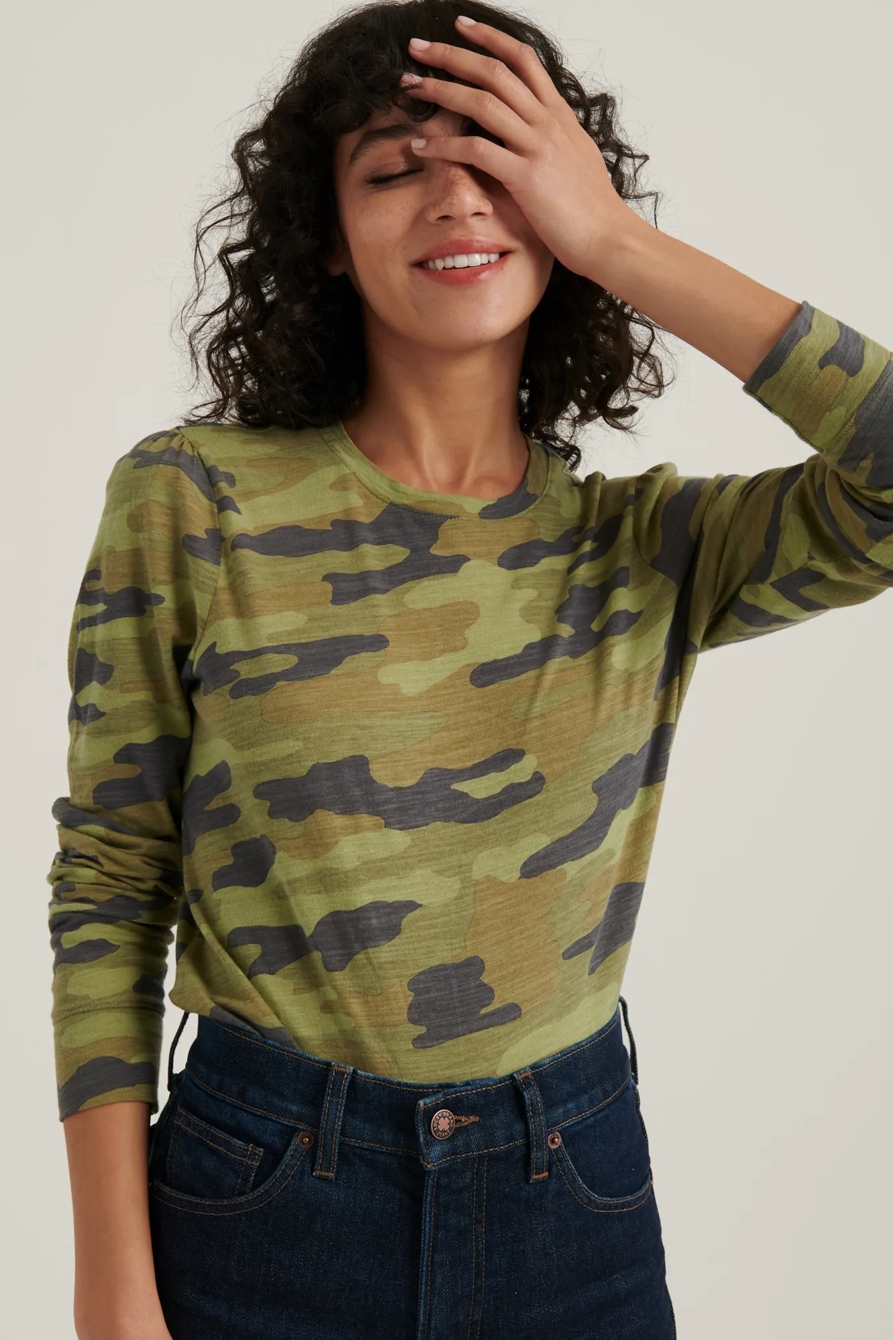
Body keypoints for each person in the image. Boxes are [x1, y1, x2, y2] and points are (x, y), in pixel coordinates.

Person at [47, 2, 892, 1338]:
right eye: (396, 170)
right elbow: (110, 874)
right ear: (326, 236)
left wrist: (616, 240)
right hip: (263, 1192)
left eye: (502, 166)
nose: (455, 199)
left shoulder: (647, 550)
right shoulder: (194, 499)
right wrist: (109, 1279)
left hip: (573, 1198)